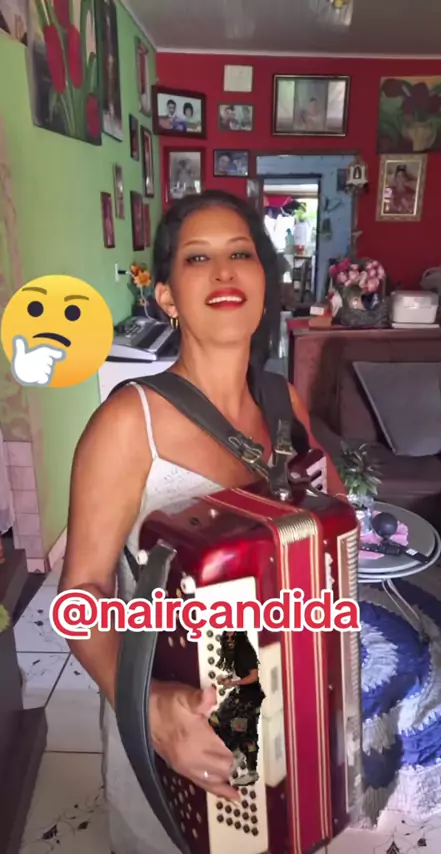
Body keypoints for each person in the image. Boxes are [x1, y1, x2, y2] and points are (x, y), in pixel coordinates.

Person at [59, 189, 343, 854]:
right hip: (180, 717)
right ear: (166, 296)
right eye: (197, 258)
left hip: (285, 693)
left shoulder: (284, 402)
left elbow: (319, 528)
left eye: (241, 254)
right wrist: (154, 707)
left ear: (264, 283)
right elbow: (81, 595)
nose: (223, 272)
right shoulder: (127, 423)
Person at [209, 632, 266, 786]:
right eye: (227, 638)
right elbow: (239, 675)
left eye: (233, 638)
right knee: (217, 721)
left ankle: (250, 771)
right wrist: (227, 679)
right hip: (240, 696)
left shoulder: (246, 651)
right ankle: (236, 752)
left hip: (249, 699)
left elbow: (253, 676)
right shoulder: (234, 653)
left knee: (245, 734)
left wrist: (234, 683)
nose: (230, 641)